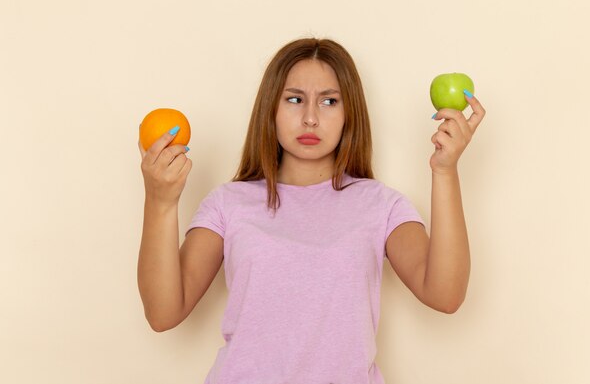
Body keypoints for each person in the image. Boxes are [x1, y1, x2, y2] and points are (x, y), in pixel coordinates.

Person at [137, 37, 486, 384]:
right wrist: (160, 200)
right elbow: (164, 313)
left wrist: (444, 171)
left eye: (329, 101)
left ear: (349, 112)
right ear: (270, 109)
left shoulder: (381, 205)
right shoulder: (228, 203)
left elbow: (445, 294)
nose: (310, 118)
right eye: (294, 99)